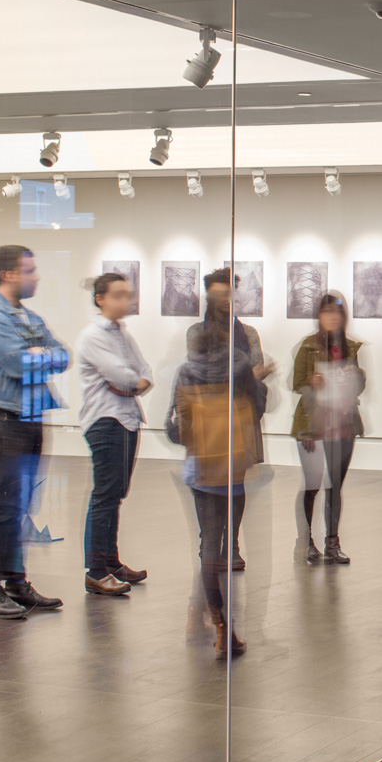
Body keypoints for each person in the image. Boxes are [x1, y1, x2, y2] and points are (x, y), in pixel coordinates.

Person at [0, 245, 69, 618]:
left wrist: (39, 355)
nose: (36, 277)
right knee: (3, 507)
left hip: (30, 419)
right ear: (9, 275)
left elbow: (63, 354)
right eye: (30, 270)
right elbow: (17, 364)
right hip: (6, 421)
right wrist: (40, 354)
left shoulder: (27, 317)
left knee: (21, 507)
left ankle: (15, 582)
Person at [167, 311, 265, 657]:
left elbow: (174, 428)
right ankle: (228, 632)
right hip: (232, 466)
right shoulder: (239, 367)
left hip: (201, 469)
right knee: (226, 546)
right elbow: (258, 406)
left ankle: (222, 627)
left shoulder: (185, 371)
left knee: (208, 547)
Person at [187, 267, 272, 571]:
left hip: (241, 419)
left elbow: (258, 369)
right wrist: (243, 374)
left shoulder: (247, 333)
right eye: (221, 293)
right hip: (210, 419)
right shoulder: (197, 332)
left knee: (236, 485)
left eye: (231, 292)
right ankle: (208, 542)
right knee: (208, 485)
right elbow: (201, 372)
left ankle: (232, 544)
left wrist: (241, 375)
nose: (227, 299)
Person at [75, 273, 153, 596]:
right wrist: (131, 383)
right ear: (100, 299)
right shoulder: (92, 336)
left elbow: (145, 374)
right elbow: (121, 376)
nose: (126, 301)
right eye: (118, 295)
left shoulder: (122, 333)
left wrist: (134, 383)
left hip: (128, 420)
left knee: (116, 494)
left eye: (128, 295)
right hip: (105, 421)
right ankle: (95, 571)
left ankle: (110, 561)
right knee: (105, 495)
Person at [290, 291, 365, 564]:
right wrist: (314, 382)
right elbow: (296, 382)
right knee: (312, 486)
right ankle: (307, 541)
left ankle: (332, 543)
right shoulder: (308, 346)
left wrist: (355, 376)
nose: (331, 317)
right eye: (326, 312)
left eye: (336, 312)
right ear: (319, 316)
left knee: (335, 486)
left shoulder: (350, 347)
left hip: (343, 424)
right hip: (312, 425)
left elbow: (359, 386)